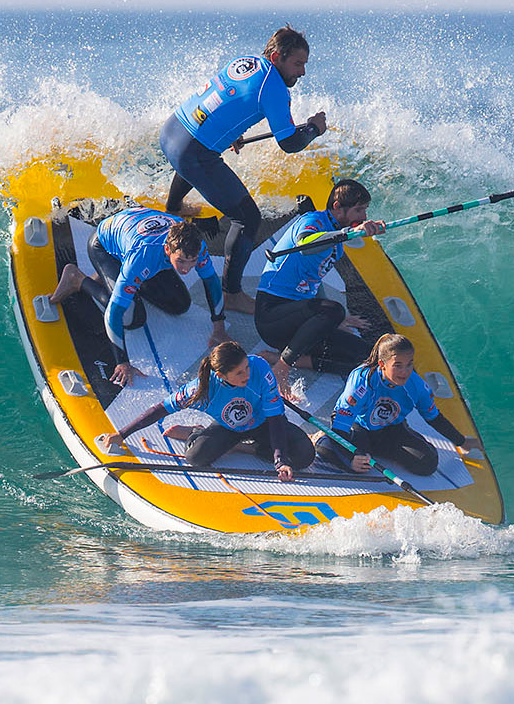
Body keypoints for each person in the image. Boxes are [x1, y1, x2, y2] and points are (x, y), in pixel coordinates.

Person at [162, 25, 328, 315]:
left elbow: (228, 99)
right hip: (192, 153)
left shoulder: (247, 62)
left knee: (196, 157)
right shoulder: (273, 86)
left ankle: (174, 206)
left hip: (172, 130)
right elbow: (289, 143)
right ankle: (232, 293)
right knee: (247, 218)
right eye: (298, 64)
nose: (302, 72)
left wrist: (230, 132)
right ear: (277, 57)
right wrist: (313, 128)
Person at [49, 207, 226, 387]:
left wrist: (219, 328)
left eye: (192, 261)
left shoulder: (197, 245)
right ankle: (77, 279)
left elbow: (211, 282)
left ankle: (118, 280)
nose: (186, 269)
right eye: (180, 261)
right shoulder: (142, 256)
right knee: (132, 318)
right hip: (104, 247)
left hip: (134, 235)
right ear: (167, 249)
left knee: (180, 304)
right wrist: (122, 362)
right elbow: (114, 313)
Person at [97, 341, 314, 482]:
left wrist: (280, 460)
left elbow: (276, 418)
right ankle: (195, 432)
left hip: (264, 423)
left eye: (246, 367)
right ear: (221, 376)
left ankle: (244, 448)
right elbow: (159, 410)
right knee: (196, 458)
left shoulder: (260, 368)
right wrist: (122, 434)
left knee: (304, 456)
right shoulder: (200, 389)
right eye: (239, 373)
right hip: (229, 427)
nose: (247, 374)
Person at [255, 178, 386, 386]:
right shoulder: (313, 220)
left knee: (371, 359)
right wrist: (349, 232)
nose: (364, 216)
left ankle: (295, 360)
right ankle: (283, 366)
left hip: (301, 323)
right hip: (272, 317)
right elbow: (305, 244)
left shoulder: (337, 243)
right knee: (334, 310)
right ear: (337, 207)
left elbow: (313, 279)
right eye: (359, 210)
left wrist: (334, 322)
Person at [315, 333, 483, 476]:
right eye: (398, 366)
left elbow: (434, 418)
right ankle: (321, 438)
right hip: (359, 429)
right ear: (382, 365)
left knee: (428, 464)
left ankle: (380, 451)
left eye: (409, 364)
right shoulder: (362, 381)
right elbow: (340, 425)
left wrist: (462, 442)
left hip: (391, 429)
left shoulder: (416, 386)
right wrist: (350, 459)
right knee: (334, 451)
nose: (405, 372)